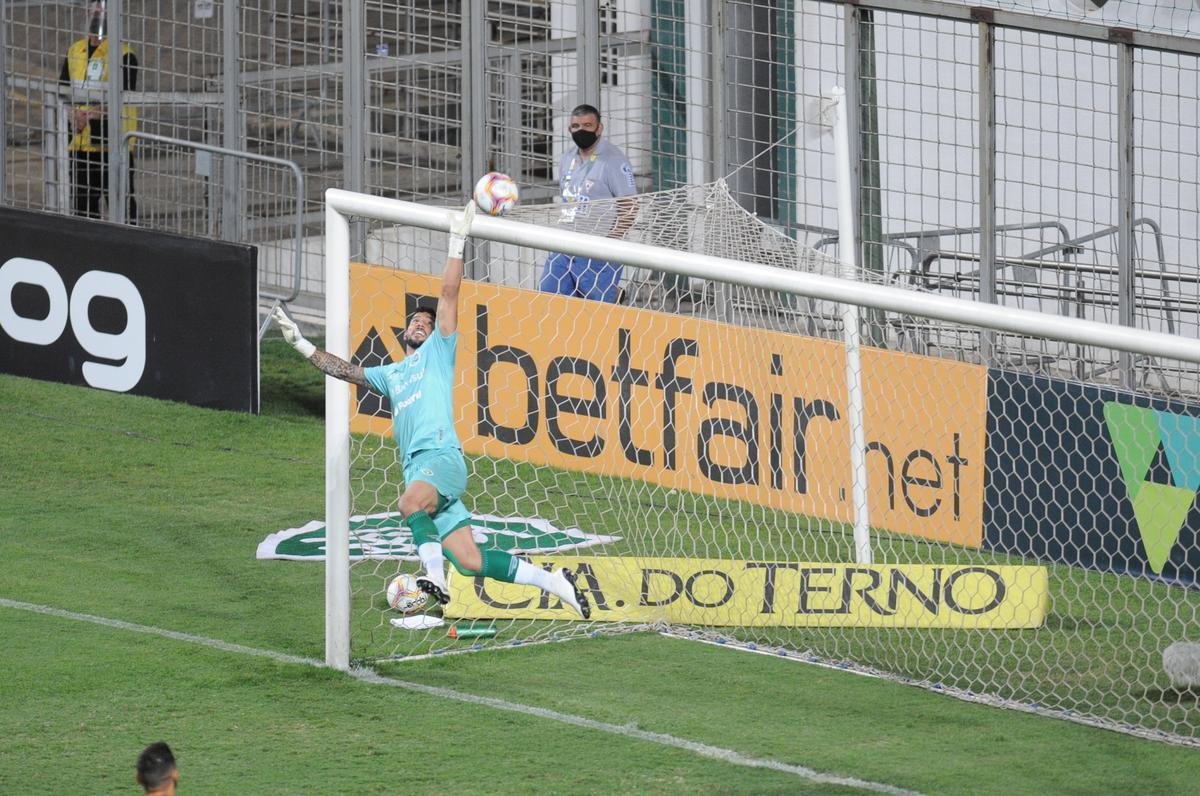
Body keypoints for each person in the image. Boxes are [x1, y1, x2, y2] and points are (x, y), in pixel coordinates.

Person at [272, 204, 590, 619]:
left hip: (440, 459)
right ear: (405, 332)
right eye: (415, 321)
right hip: (423, 471)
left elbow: (449, 294)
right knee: (470, 561)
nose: (421, 324)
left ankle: (435, 579)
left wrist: (458, 239)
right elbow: (346, 371)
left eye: (427, 320)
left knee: (408, 505)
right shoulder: (391, 374)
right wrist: (301, 345)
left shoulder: (439, 352)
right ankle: (555, 581)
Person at [539, 103, 637, 303]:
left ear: (599, 128)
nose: (581, 130)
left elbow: (631, 207)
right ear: (569, 130)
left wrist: (610, 241)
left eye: (587, 125)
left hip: (598, 249)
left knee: (596, 308)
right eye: (576, 126)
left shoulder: (614, 162)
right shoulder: (567, 159)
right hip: (565, 245)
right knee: (548, 295)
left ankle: (615, 295)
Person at [59, 0, 139, 222]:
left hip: (112, 140)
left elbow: (125, 94)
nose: (97, 15)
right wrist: (75, 114)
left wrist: (93, 113)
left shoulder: (123, 54)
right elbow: (63, 89)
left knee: (120, 201)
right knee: (83, 204)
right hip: (80, 139)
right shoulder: (76, 50)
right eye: (94, 10)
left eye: (102, 11)